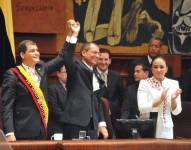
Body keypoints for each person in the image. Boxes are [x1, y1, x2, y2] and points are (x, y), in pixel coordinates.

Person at [0, 19, 78, 141]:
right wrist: (9, 132)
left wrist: (72, 35)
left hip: (42, 129)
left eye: (37, 50)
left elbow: (62, 56)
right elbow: (7, 106)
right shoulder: (13, 74)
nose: (37, 53)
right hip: (21, 131)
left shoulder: (42, 68)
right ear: (22, 55)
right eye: (32, 51)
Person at [61, 20, 108, 139]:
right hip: (75, 123)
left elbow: (97, 101)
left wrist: (101, 123)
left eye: (99, 53)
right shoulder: (75, 66)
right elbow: (67, 55)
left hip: (92, 126)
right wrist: (74, 35)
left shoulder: (96, 74)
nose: (98, 56)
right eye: (94, 53)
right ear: (84, 53)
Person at [137, 56, 182, 139]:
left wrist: (173, 100)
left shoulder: (174, 83)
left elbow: (177, 112)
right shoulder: (144, 83)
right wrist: (160, 99)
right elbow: (142, 108)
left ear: (166, 69)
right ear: (151, 69)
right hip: (149, 125)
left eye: (161, 67)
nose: (158, 70)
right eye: (155, 67)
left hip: (167, 128)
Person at [96, 48, 124, 136]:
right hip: (97, 117)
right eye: (100, 59)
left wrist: (112, 108)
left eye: (106, 59)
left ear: (110, 61)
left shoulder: (117, 76)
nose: (103, 62)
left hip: (114, 118)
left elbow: (121, 98)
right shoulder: (90, 74)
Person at [47, 65, 67, 139]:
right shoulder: (52, 89)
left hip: (72, 129)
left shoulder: (75, 89)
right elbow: (55, 111)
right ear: (58, 74)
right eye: (65, 72)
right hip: (58, 129)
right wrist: (72, 119)